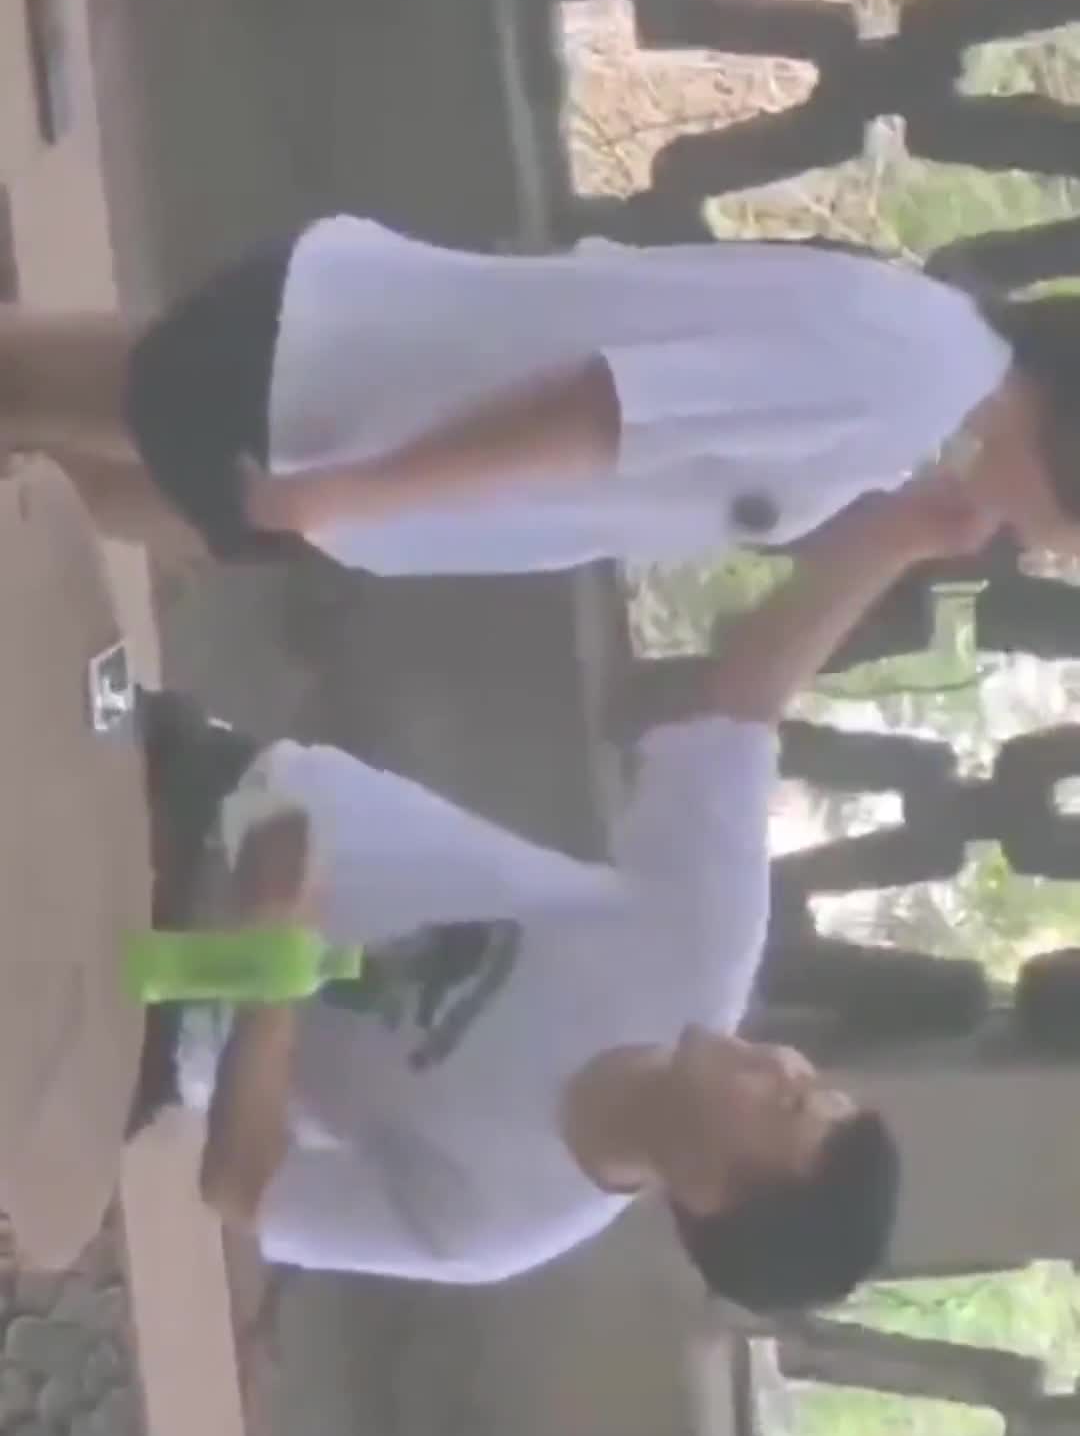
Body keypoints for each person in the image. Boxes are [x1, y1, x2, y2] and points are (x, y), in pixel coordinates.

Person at [144, 468, 998, 1311]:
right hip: (224, 798)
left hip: (161, 1012)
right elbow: (739, 705)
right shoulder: (702, 943)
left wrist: (275, 965)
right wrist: (900, 538)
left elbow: (243, 1186)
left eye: (786, 1105)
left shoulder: (498, 1221)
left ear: (709, 1189)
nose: (781, 1062)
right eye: (807, 1077)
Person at [2, 219, 1077, 575]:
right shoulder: (909, 382)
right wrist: (357, 492)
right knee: (42, 401)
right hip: (339, 396)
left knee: (57, 479)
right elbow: (611, 411)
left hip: (361, 407)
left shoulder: (930, 376)